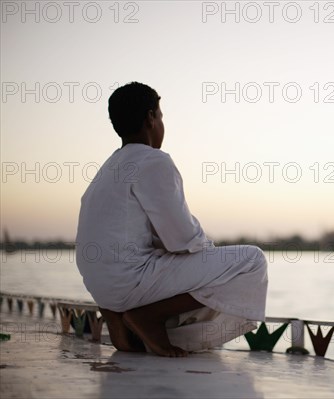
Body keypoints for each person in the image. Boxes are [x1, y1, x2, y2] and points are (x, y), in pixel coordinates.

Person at [75, 82, 268, 357]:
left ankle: (123, 321)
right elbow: (182, 239)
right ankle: (147, 318)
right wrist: (210, 255)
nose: (162, 123)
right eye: (161, 116)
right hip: (129, 282)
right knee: (251, 260)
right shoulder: (153, 161)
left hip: (102, 288)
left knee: (190, 262)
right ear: (150, 118)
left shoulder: (107, 168)